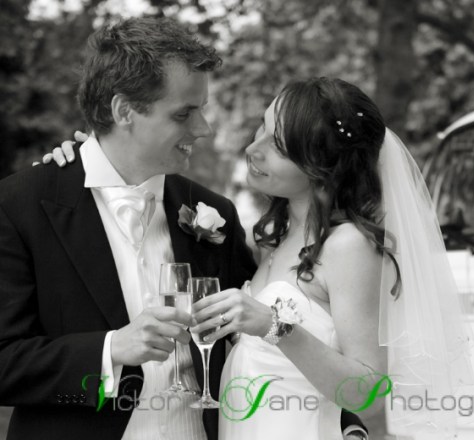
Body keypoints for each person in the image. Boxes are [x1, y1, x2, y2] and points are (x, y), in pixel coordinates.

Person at [47, 77, 474, 439]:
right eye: (261, 128)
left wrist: (274, 326)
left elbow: (370, 397)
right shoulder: (271, 240)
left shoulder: (347, 246)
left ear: (322, 164)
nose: (254, 148)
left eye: (278, 144)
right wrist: (100, 157)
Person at [25, 17, 368, 440]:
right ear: (124, 111)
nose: (205, 128)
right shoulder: (25, 205)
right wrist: (111, 349)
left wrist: (347, 428)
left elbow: (288, 337)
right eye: (185, 112)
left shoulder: (214, 212)